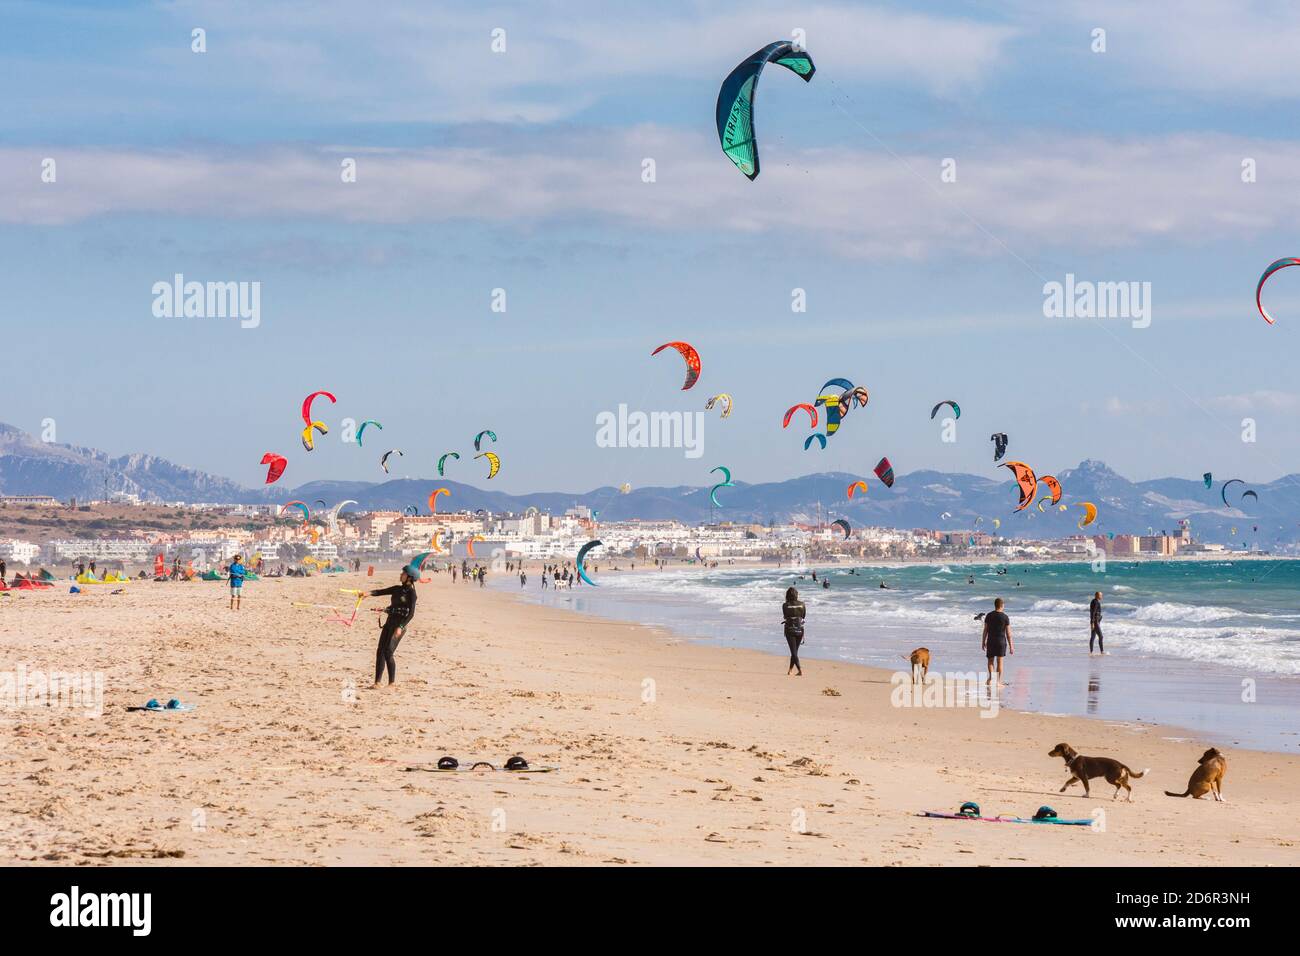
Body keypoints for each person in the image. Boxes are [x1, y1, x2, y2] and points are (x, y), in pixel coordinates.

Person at [369, 564, 418, 687]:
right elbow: (381, 591)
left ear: (409, 578)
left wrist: (400, 627)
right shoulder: (397, 589)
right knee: (380, 651)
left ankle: (392, 683)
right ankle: (377, 682)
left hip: (399, 625)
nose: (401, 575)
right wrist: (367, 594)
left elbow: (411, 614)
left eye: (403, 574)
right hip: (389, 622)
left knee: (388, 652)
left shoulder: (412, 593)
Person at [981, 597, 1014, 685]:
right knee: (1000, 662)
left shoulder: (989, 615)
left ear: (995, 605)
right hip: (1001, 642)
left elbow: (985, 630)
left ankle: (991, 678)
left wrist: (983, 642)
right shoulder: (1005, 617)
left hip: (991, 641)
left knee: (990, 661)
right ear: (1002, 605)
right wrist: (1011, 646)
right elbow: (1008, 634)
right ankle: (998, 681)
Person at [782, 586, 806, 677]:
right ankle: (790, 670)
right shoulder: (802, 604)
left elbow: (785, 616)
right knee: (795, 651)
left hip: (789, 629)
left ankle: (800, 670)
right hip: (800, 629)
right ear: (796, 595)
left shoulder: (785, 605)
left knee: (793, 652)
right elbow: (803, 616)